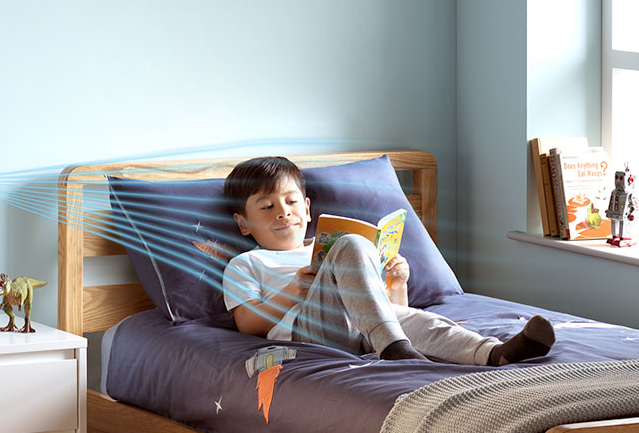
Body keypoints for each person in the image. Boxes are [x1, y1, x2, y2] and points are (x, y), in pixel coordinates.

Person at [221, 156, 555, 365]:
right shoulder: (248, 263)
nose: (283, 212)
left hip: (367, 329)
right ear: (243, 223)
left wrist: (397, 283)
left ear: (307, 209)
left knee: (420, 321)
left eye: (291, 201)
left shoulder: (322, 244)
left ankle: (495, 353)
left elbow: (385, 309)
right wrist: (292, 291)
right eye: (267, 207)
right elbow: (247, 324)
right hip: (311, 331)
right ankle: (394, 347)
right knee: (352, 244)